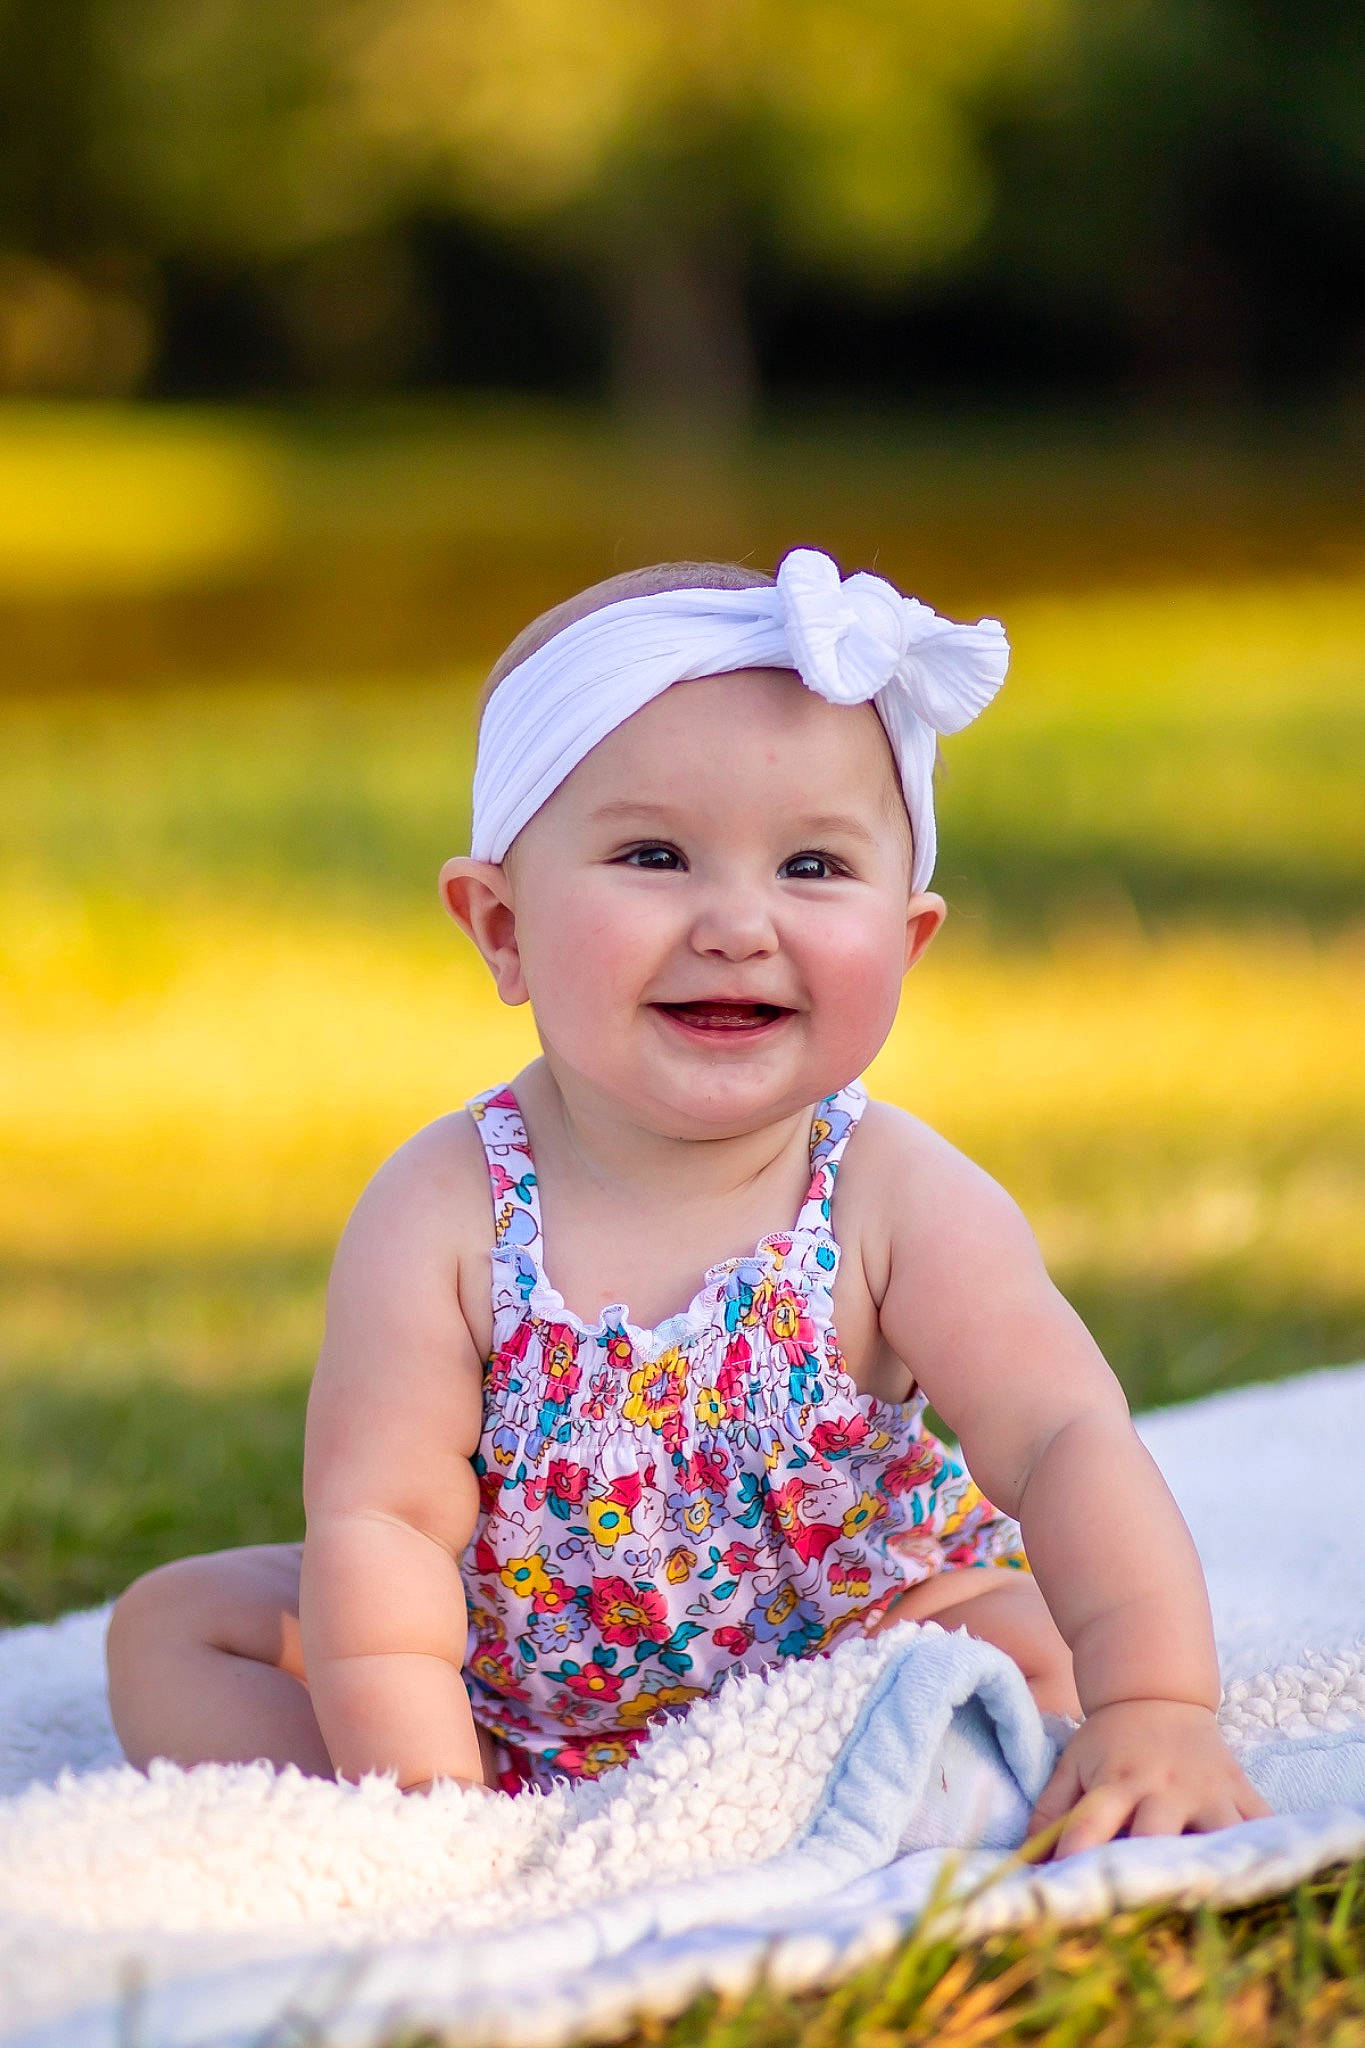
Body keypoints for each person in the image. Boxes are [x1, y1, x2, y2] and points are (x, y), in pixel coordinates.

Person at [106, 548, 1269, 1856]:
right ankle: (435, 1833)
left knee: (1024, 1633)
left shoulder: (891, 1193)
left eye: (813, 868)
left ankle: (870, 1784)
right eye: (654, 854)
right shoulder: (444, 1207)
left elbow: (1061, 1438)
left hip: (847, 1642)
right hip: (497, 1675)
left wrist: (1154, 1700)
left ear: (907, 937)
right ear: (502, 927)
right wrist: (421, 1788)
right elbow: (383, 1520)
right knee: (177, 1627)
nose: (734, 922)